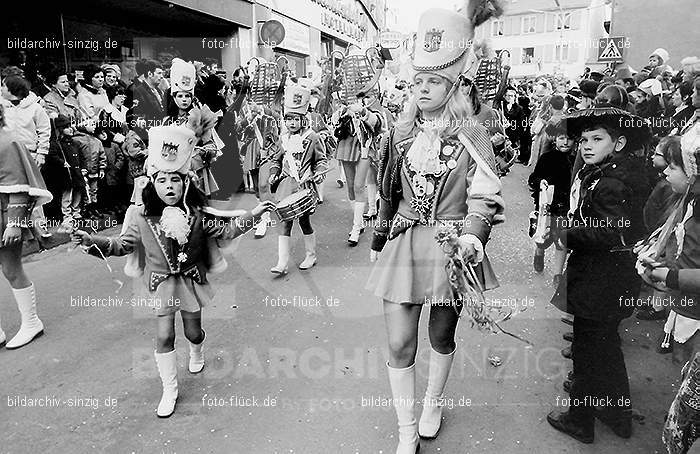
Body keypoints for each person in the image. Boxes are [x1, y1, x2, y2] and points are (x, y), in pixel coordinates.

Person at [366, 6, 505, 453]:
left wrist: (472, 236)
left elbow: (484, 195)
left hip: (450, 250)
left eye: (433, 81)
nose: (422, 89)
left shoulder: (473, 134)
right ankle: (406, 432)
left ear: (453, 85)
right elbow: (387, 188)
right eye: (417, 80)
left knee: (440, 336)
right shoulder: (400, 133)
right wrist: (378, 235)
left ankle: (433, 402)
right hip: (404, 246)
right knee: (399, 342)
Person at [72, 124, 275, 417]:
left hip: (191, 282)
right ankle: (170, 389)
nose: (169, 186)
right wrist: (92, 242)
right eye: (163, 180)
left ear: (186, 184)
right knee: (165, 336)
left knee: (193, 333)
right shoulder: (140, 216)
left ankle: (197, 349)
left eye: (175, 180)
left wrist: (254, 215)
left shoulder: (198, 216)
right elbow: (121, 244)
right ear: (152, 183)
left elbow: (227, 231)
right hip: (161, 285)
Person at [547, 106, 652, 443]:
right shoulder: (612, 173)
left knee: (588, 352)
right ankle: (616, 414)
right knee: (606, 349)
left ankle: (580, 420)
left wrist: (565, 231)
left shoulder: (609, 183)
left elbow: (607, 233)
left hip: (599, 280)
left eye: (597, 139)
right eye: (584, 139)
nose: (586, 146)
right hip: (610, 280)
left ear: (618, 143)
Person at [0, 103, 53, 349]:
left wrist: (15, 224)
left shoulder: (8, 141)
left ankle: (31, 322)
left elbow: (20, 188)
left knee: (12, 270)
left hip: (4, 218)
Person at [268, 84, 328, 275]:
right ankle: (282, 262)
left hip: (303, 185)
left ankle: (311, 255)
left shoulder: (313, 137)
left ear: (304, 119)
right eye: (288, 119)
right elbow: (276, 160)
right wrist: (273, 172)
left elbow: (321, 160)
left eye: (295, 119)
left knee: (304, 222)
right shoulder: (283, 138)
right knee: (285, 222)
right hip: (287, 185)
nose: (291, 123)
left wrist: (319, 172)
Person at [332, 80, 384, 246]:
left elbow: (378, 123)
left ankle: (355, 228)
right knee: (350, 187)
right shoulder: (343, 105)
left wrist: (362, 111)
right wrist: (342, 112)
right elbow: (334, 123)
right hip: (346, 145)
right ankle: (359, 222)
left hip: (364, 146)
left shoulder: (372, 103)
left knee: (358, 186)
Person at [527, 121, 574, 280]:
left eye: (569, 138)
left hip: (567, 206)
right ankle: (539, 252)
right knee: (544, 235)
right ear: (555, 139)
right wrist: (541, 182)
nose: (565, 142)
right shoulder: (547, 157)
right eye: (562, 138)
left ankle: (557, 274)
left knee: (562, 239)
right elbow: (533, 178)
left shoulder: (576, 160)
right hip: (548, 205)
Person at [47, 115, 87, 230]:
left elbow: (82, 157)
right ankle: (67, 216)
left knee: (78, 193)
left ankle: (76, 213)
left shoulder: (76, 143)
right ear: (61, 129)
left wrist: (84, 168)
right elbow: (53, 155)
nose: (70, 129)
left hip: (77, 173)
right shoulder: (57, 144)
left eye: (70, 126)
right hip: (66, 175)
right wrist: (62, 162)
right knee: (67, 196)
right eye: (66, 127)